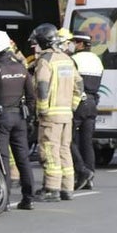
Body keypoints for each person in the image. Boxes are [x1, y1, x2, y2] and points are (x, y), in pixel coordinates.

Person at [0, 31, 36, 210]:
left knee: (2, 159)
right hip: (20, 117)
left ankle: (5, 199)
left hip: (1, 119)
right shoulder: (21, 68)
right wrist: (29, 116)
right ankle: (28, 198)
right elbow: (31, 97)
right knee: (23, 158)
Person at [29, 23, 82, 202]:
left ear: (43, 42)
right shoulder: (67, 59)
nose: (35, 46)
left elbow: (42, 86)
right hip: (66, 114)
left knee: (50, 151)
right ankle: (67, 188)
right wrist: (72, 106)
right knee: (64, 150)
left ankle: (52, 189)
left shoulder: (46, 60)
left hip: (51, 115)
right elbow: (79, 84)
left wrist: (42, 109)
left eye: (37, 42)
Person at [70, 32, 103, 191]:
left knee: (68, 139)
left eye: (74, 42)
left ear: (81, 44)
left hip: (79, 102)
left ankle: (82, 170)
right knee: (87, 142)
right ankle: (90, 175)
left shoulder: (74, 59)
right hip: (92, 103)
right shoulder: (97, 60)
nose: (72, 45)